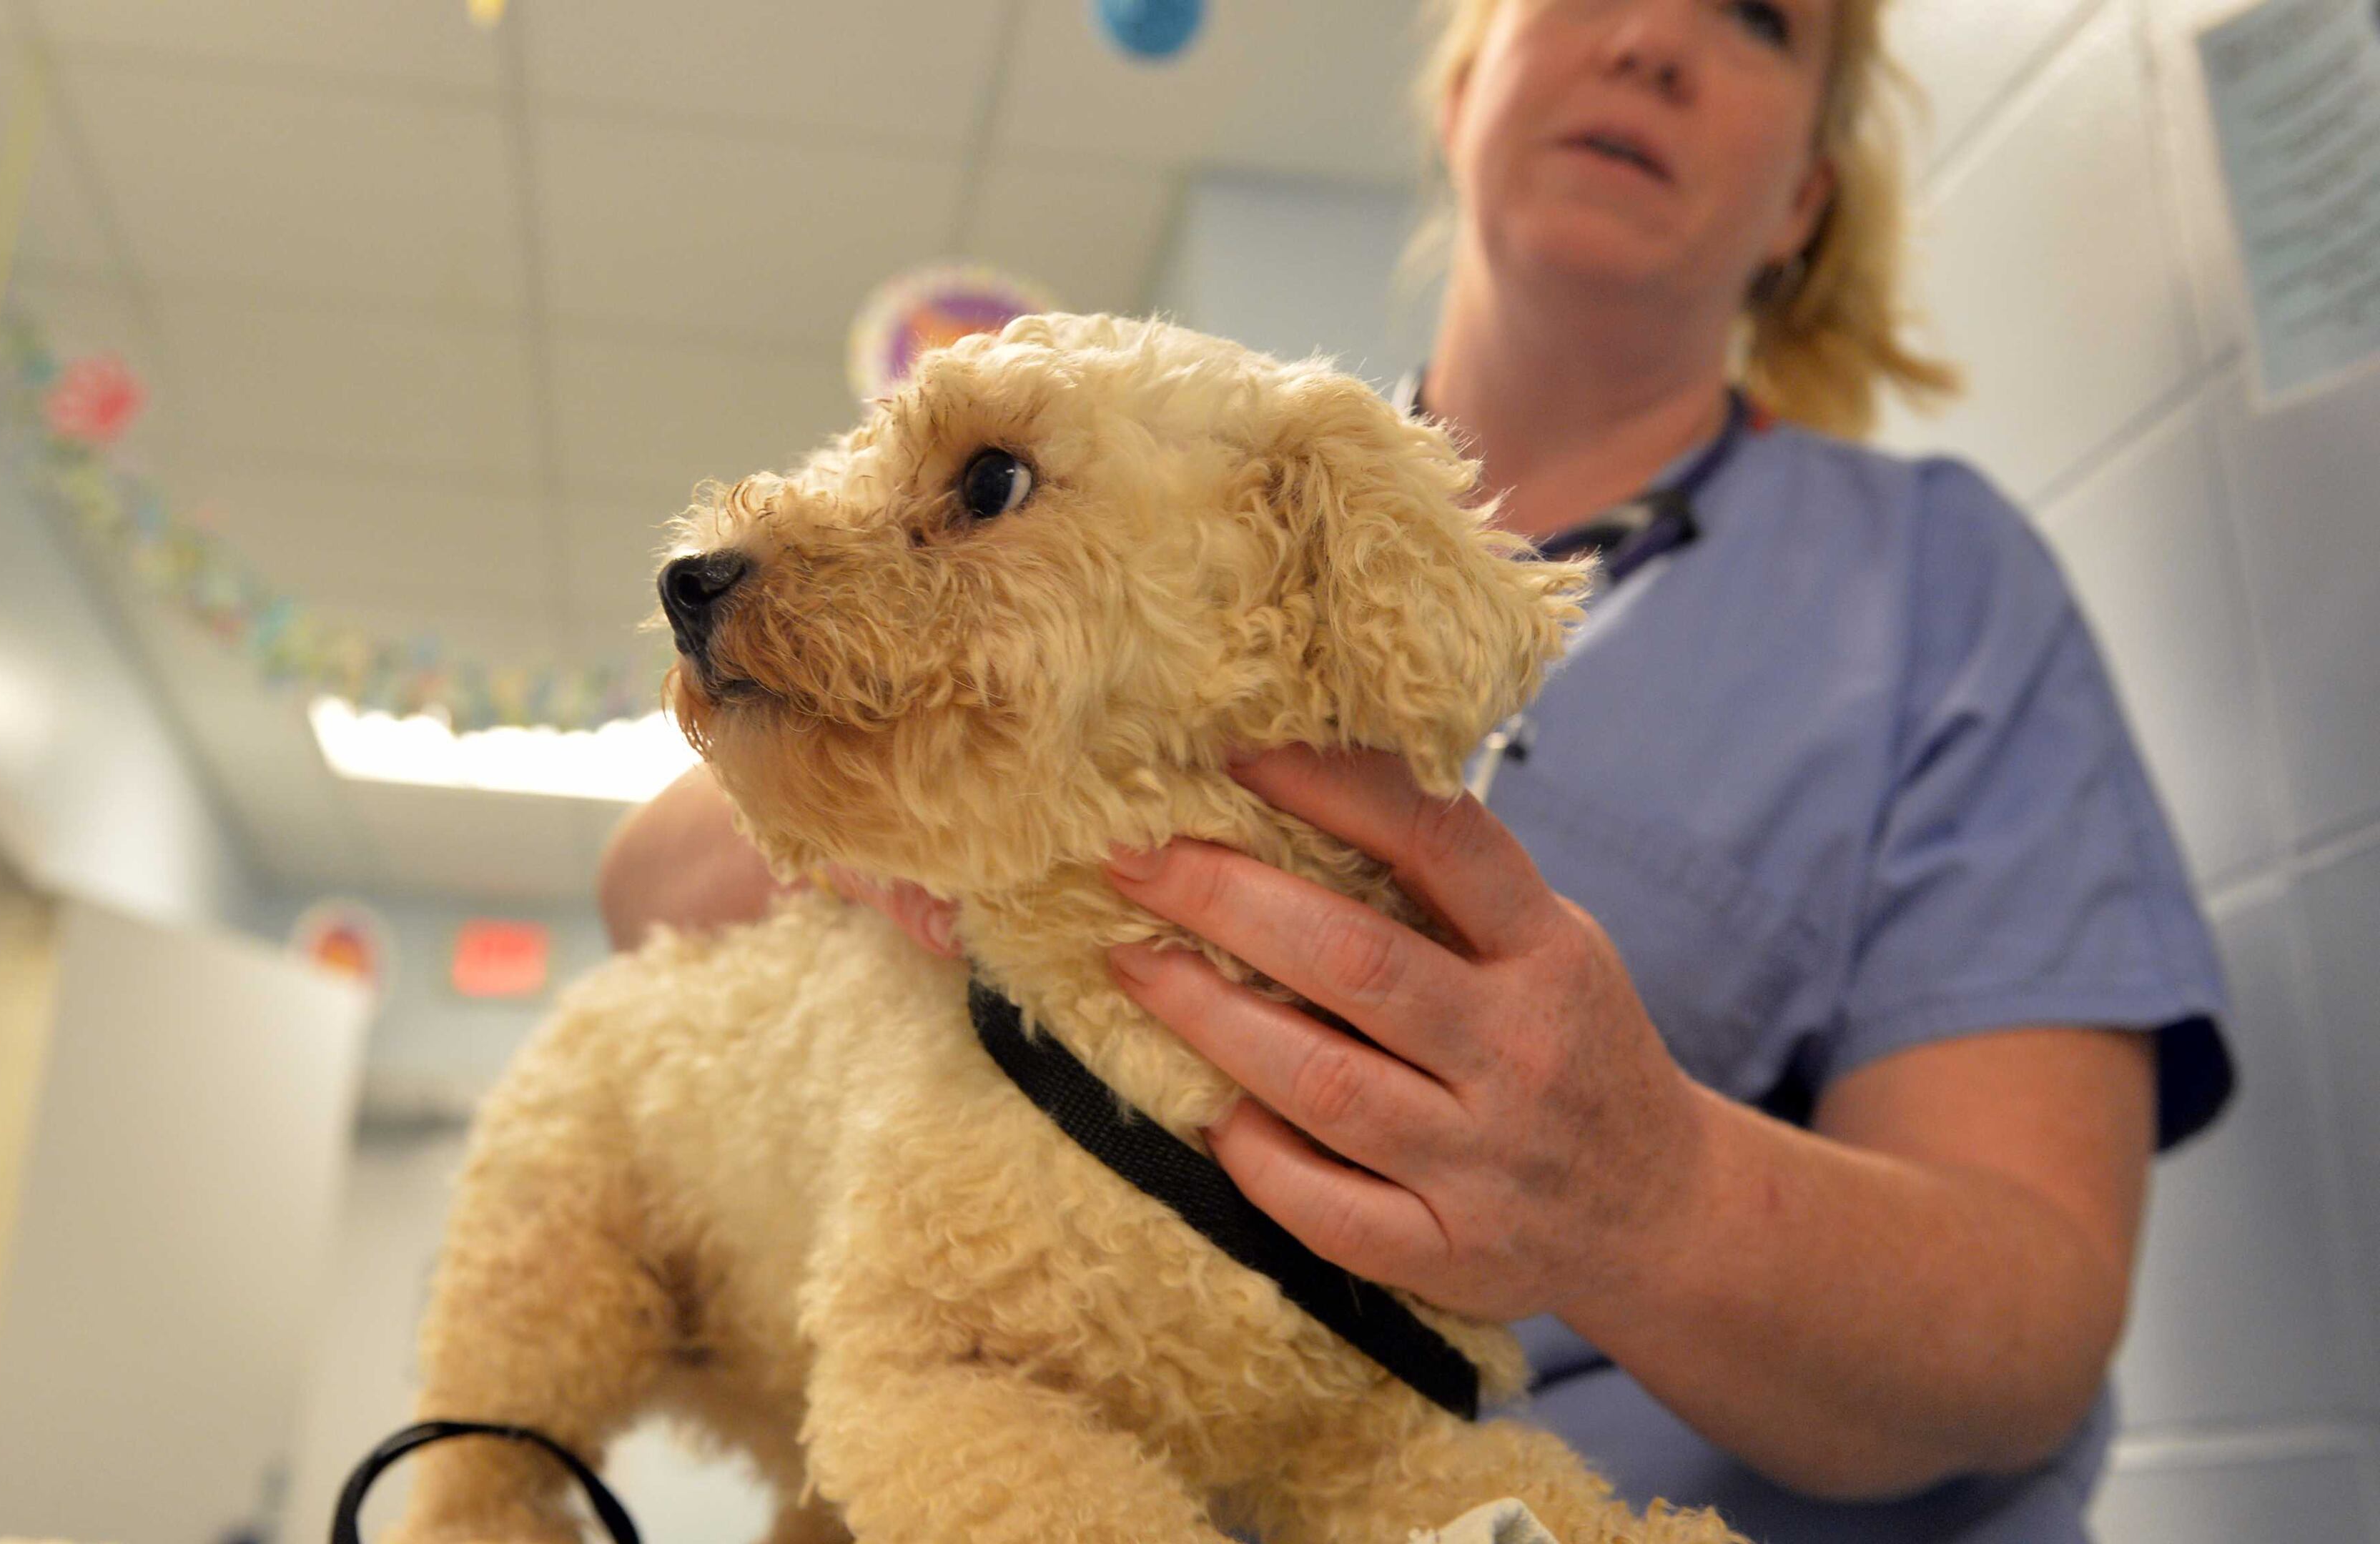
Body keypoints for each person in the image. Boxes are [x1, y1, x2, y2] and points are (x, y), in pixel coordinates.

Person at [598, 0, 2236, 1537]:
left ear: (1803, 200)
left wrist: (1649, 1199)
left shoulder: (1933, 593)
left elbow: (2030, 1327)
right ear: (1463, 86)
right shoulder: (1174, 474)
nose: (1656, 37)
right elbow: (647, 886)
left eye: (1754, 14)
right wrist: (901, 790)